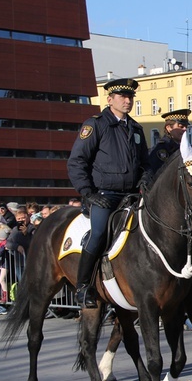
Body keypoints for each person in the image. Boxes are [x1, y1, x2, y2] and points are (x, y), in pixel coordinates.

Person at [67, 78, 152, 308]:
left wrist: (145, 177)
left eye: (131, 97)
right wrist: (87, 192)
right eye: (123, 97)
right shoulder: (95, 125)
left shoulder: (135, 129)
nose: (128, 101)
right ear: (110, 99)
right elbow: (76, 162)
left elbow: (145, 163)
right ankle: (84, 287)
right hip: (104, 195)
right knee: (99, 235)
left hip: (132, 195)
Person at [148, 108, 191, 174]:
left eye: (186, 127)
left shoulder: (183, 148)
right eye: (181, 126)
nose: (185, 129)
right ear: (169, 128)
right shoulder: (161, 149)